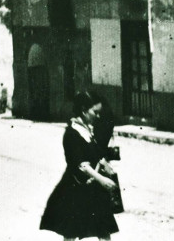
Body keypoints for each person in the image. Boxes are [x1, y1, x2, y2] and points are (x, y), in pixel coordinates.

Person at [40, 91, 119, 241]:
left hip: (93, 188)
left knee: (103, 230)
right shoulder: (72, 133)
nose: (98, 116)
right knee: (71, 232)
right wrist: (102, 180)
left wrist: (104, 164)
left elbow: (93, 153)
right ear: (83, 110)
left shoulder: (87, 129)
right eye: (95, 112)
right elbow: (81, 165)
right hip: (76, 189)